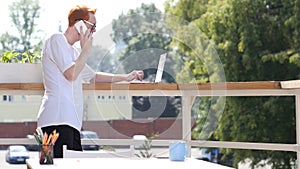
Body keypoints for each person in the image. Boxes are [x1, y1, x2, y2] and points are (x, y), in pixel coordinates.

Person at [37, 5, 144, 158]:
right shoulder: (56, 39)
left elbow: (94, 77)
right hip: (57, 120)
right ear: (79, 24)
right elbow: (71, 74)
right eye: (92, 26)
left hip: (71, 122)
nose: (94, 31)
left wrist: (126, 77)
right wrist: (86, 51)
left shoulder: (73, 52)